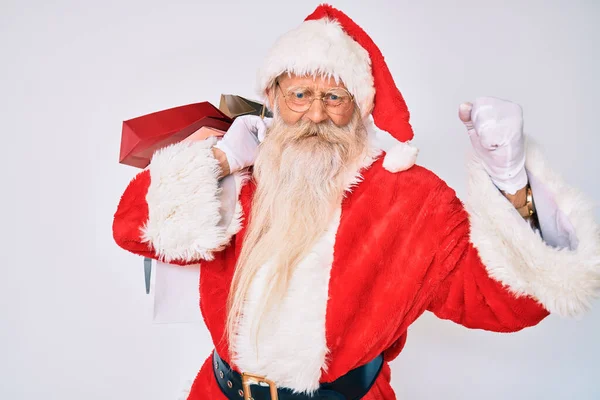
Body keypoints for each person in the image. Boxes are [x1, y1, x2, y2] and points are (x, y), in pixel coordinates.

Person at [112, 4, 600, 400]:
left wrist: (511, 181)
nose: (315, 115)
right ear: (273, 98)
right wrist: (218, 160)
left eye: (335, 97)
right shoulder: (240, 181)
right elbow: (132, 229)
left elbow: (507, 306)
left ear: (360, 107)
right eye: (300, 94)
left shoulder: (413, 200)